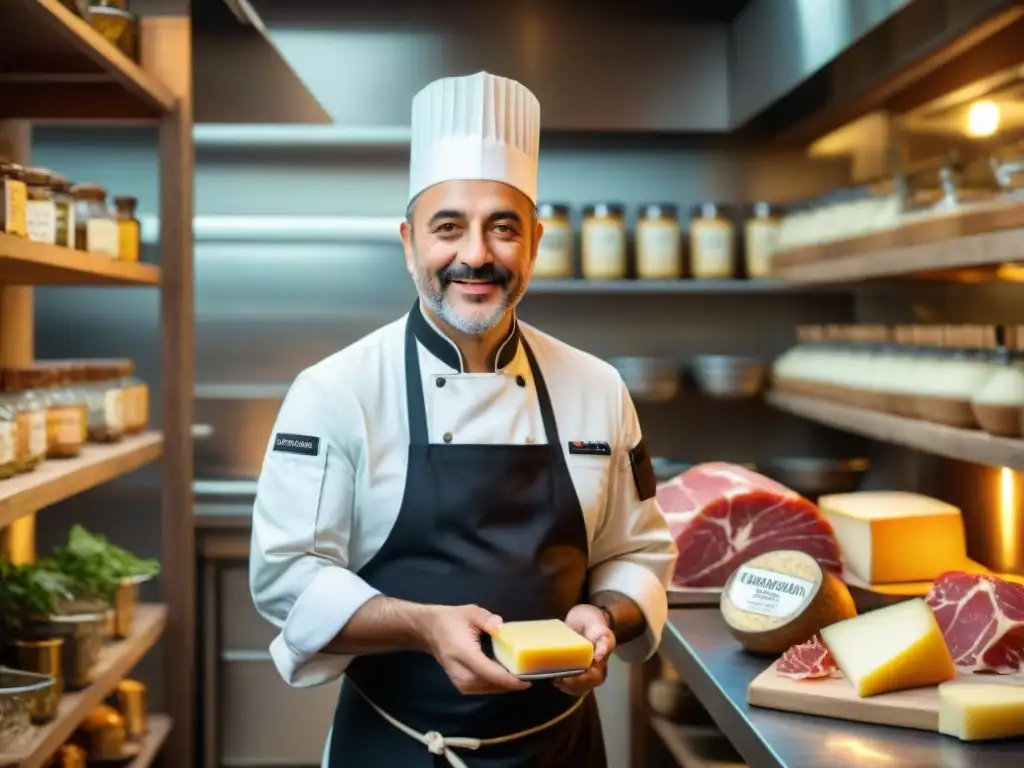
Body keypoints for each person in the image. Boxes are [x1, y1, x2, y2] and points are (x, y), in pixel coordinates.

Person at [249, 71, 679, 768]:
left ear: (534, 243)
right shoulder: (335, 389)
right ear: (409, 241)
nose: (476, 254)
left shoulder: (597, 387)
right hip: (396, 747)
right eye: (448, 227)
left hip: (561, 751)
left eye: (503, 228)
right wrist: (421, 626)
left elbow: (639, 554)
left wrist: (605, 617)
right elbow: (286, 574)